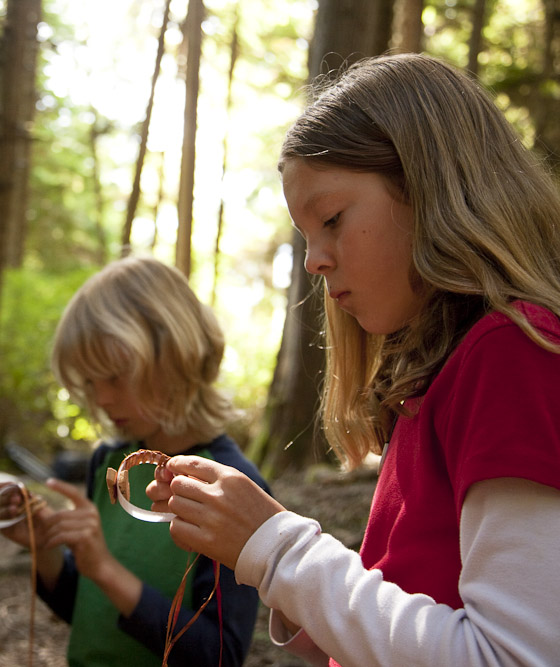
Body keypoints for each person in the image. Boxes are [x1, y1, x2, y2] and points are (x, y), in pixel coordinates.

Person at [146, 52, 560, 666]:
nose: (314, 260)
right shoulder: (436, 379)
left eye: (332, 219)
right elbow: (413, 613)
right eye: (306, 236)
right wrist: (268, 562)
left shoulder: (514, 355)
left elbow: (511, 656)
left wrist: (279, 548)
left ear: (431, 185)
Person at [0, 256, 269, 667]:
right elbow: (88, 611)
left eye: (114, 377)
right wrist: (45, 550)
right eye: (90, 383)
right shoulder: (110, 461)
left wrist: (105, 569)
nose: (101, 399)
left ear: (174, 354)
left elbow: (218, 657)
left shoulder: (231, 485)